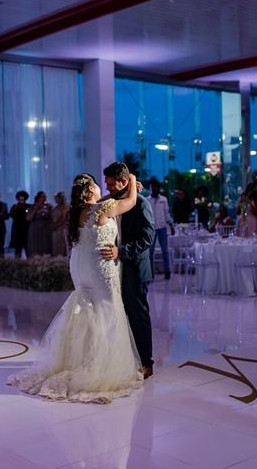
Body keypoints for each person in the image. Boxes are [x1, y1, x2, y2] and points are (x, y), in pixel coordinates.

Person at [8, 172, 144, 403]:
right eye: (97, 186)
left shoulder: (80, 211)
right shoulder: (102, 209)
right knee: (108, 309)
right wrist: (131, 180)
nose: (102, 189)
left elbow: (103, 205)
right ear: (90, 190)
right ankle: (99, 364)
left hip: (80, 265)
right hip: (98, 265)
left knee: (86, 307)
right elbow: (130, 202)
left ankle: (77, 359)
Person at [101, 162, 155, 379]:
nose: (108, 188)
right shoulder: (110, 202)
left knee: (138, 317)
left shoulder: (141, 203)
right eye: (106, 184)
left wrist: (121, 251)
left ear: (123, 182)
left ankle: (146, 362)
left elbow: (148, 237)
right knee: (115, 317)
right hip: (114, 271)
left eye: (112, 184)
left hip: (134, 268)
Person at [147, 179, 172, 279]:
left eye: (155, 187)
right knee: (150, 251)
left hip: (162, 227)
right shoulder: (147, 200)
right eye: (152, 187)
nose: (154, 189)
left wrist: (170, 224)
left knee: (165, 251)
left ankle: (167, 271)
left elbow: (167, 213)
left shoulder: (163, 199)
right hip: (151, 228)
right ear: (150, 188)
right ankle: (150, 273)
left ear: (158, 188)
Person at [26, 191, 52, 257]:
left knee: (45, 245)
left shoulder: (48, 206)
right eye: (43, 196)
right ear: (38, 198)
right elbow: (28, 218)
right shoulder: (32, 206)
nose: (44, 198)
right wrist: (35, 210)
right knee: (35, 245)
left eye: (45, 196)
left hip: (45, 229)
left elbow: (51, 217)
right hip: (35, 229)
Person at [9, 190, 30, 259]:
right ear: (17, 198)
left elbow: (29, 214)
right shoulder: (14, 206)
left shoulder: (28, 206)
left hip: (26, 229)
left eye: (23, 197)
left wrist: (25, 208)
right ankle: (17, 263)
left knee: (28, 247)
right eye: (20, 197)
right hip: (17, 229)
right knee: (18, 248)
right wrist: (16, 208)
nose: (21, 199)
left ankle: (30, 262)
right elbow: (11, 215)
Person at [50, 191, 69, 257]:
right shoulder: (56, 207)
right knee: (56, 245)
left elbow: (64, 218)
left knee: (62, 245)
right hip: (55, 230)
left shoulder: (66, 206)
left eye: (57, 198)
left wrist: (56, 226)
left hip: (62, 229)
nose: (56, 199)